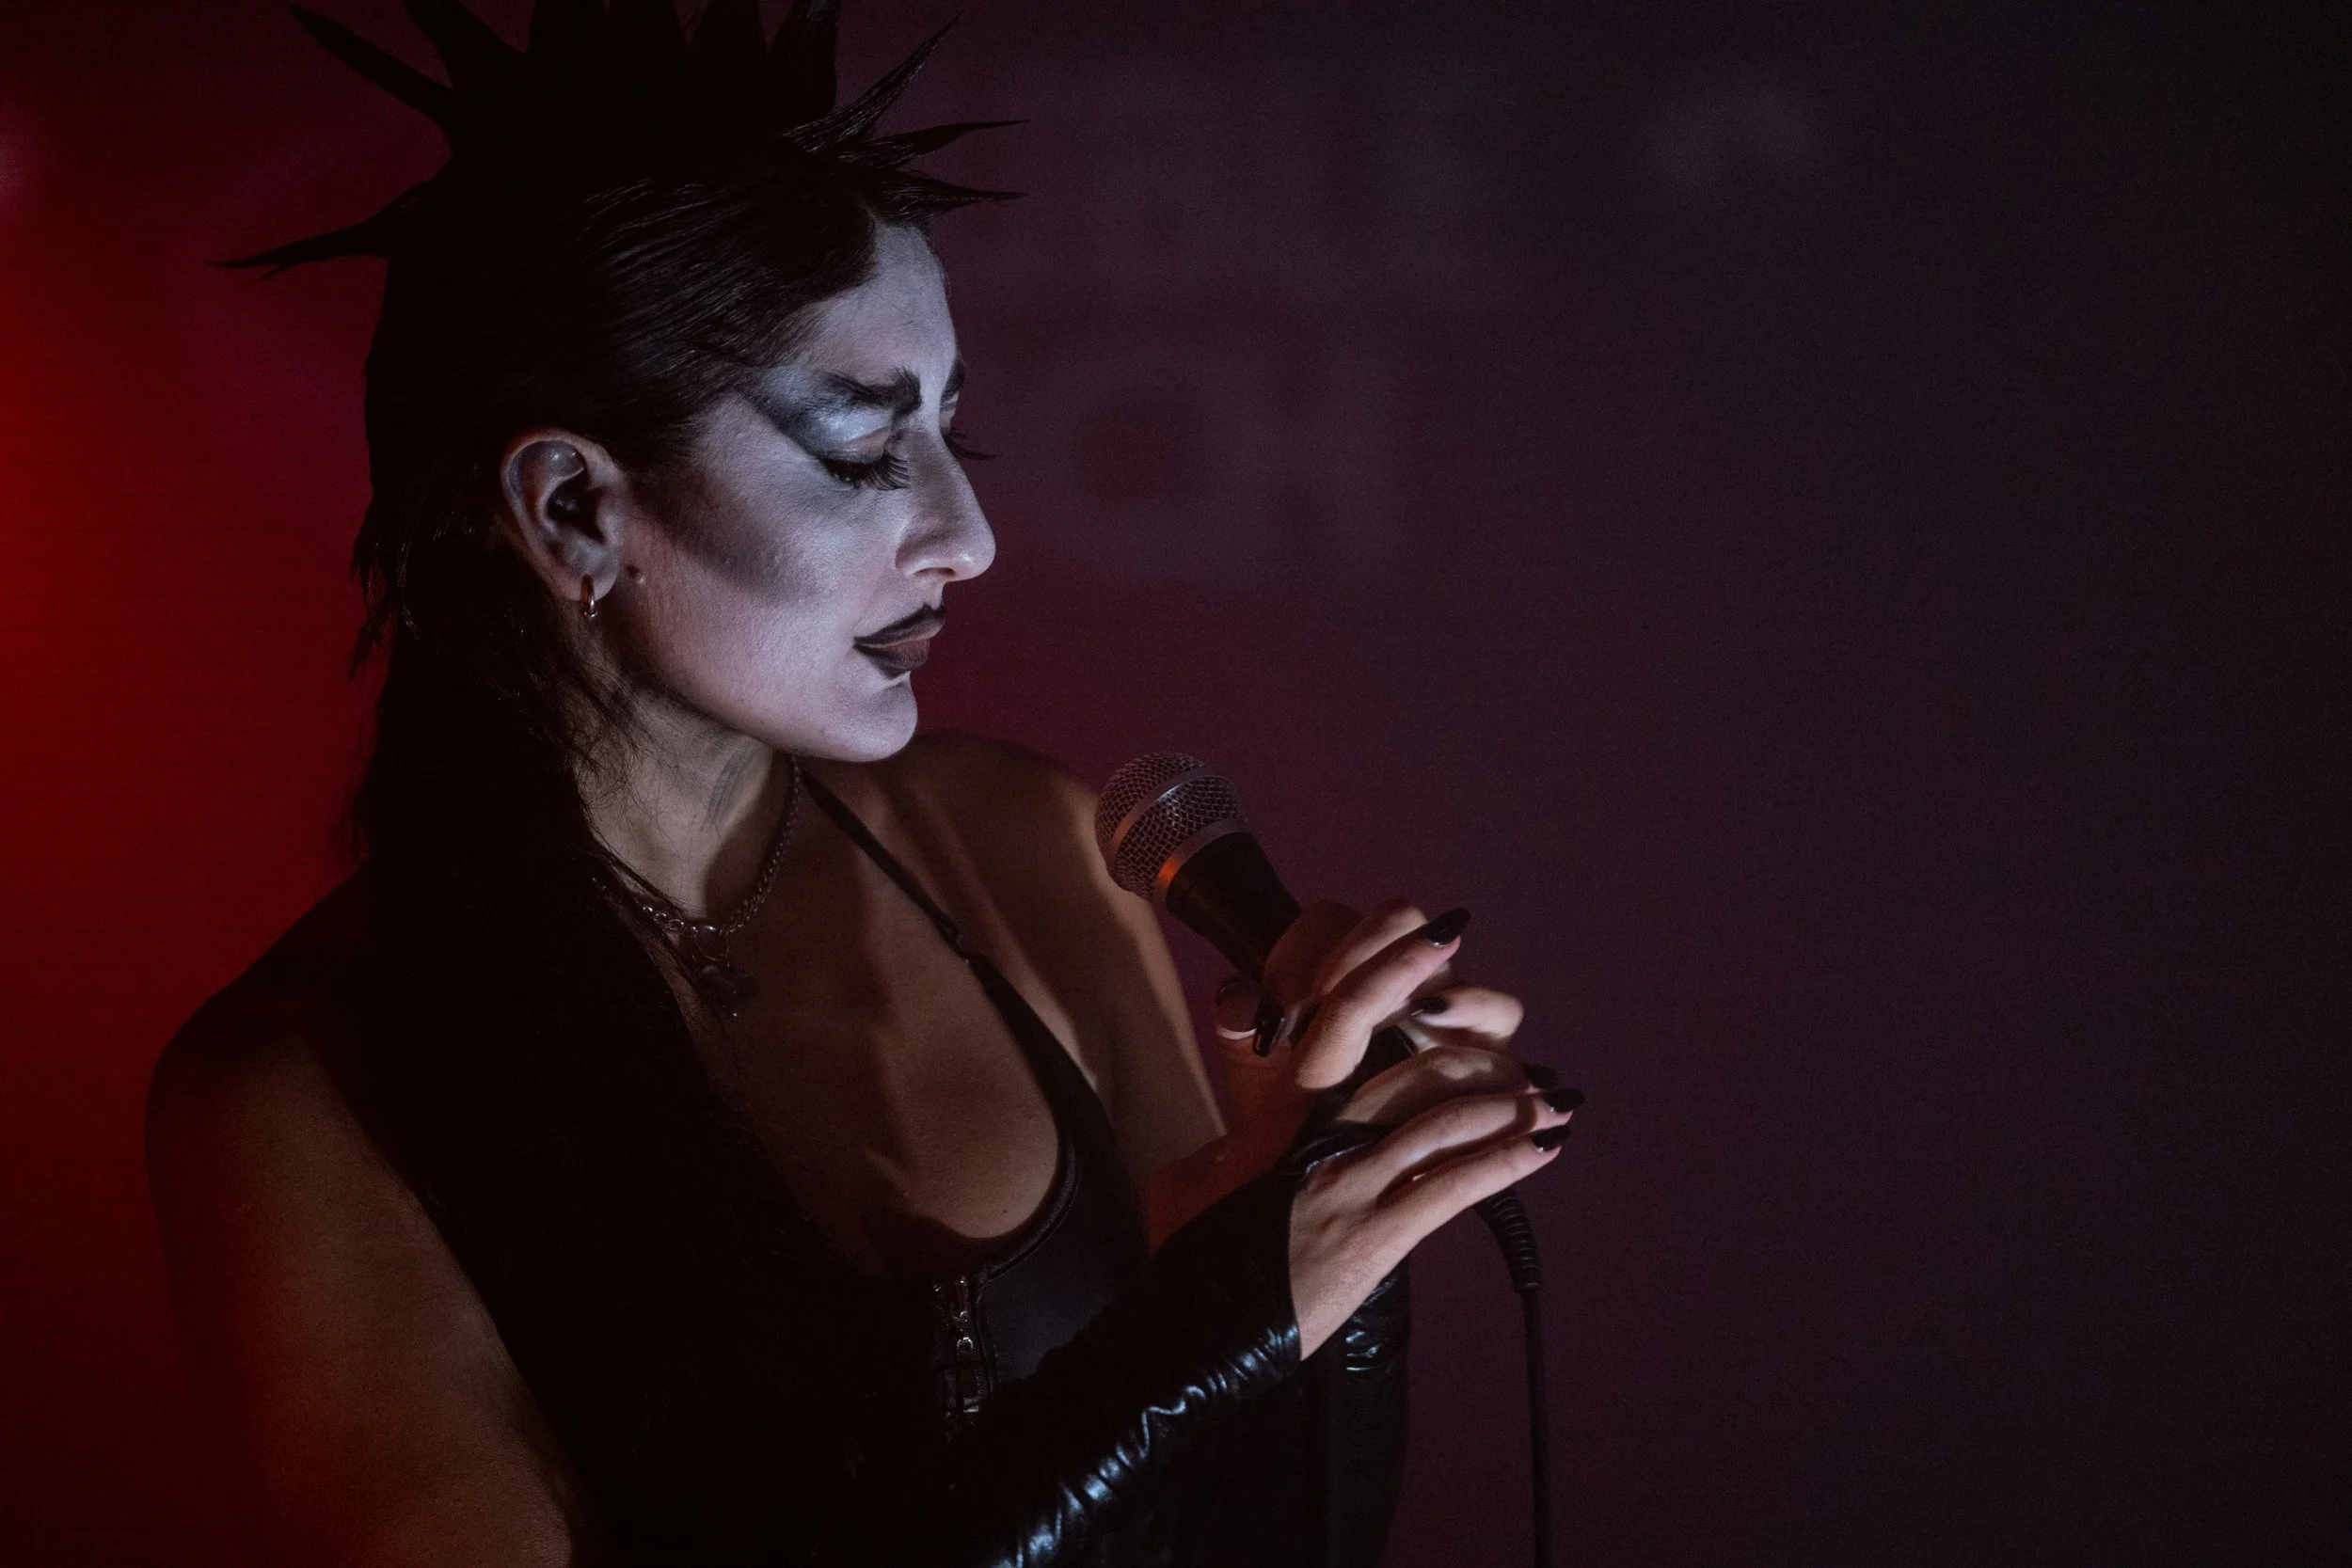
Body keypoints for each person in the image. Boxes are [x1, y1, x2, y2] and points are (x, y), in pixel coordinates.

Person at [145, 4, 1577, 1563]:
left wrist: (1312, 1213)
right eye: (861, 449)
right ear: (569, 508)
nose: (969, 538)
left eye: (953, 430)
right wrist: (1199, 1331)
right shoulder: (300, 1090)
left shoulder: (1021, 842)